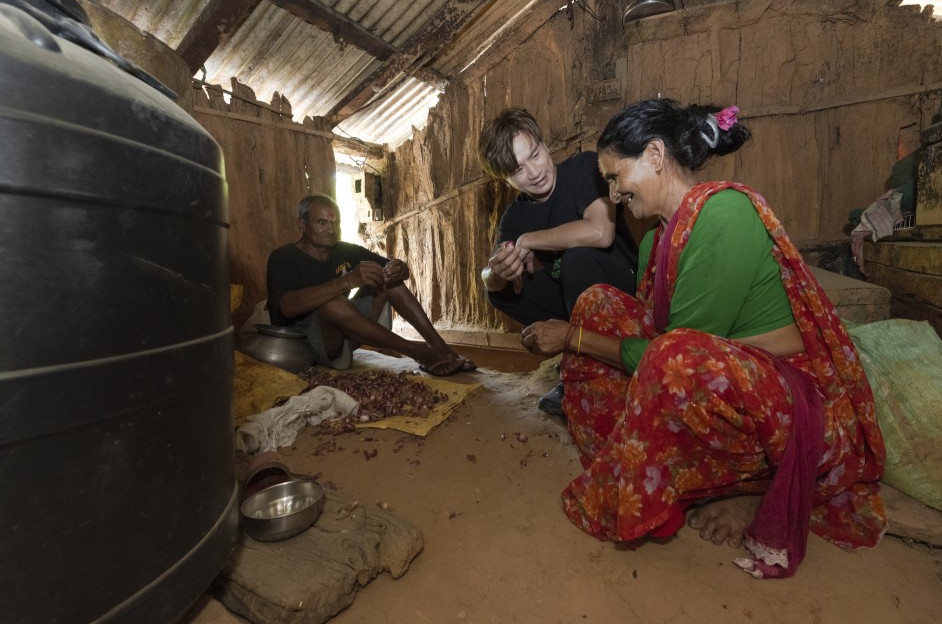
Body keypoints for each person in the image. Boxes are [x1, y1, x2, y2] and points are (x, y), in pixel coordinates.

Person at [519, 99, 887, 578]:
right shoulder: (656, 239)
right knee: (597, 305)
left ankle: (747, 490)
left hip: (790, 406)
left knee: (666, 354)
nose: (612, 195)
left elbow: (674, 356)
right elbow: (668, 343)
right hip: (723, 381)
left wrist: (574, 339)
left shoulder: (724, 214)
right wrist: (586, 330)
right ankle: (671, 483)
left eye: (615, 177)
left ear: (654, 155)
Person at [478, 108, 638, 416]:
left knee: (576, 259)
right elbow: (491, 273)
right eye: (518, 170)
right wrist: (496, 270)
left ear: (544, 144)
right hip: (574, 301)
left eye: (535, 155)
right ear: (505, 180)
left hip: (621, 290)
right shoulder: (516, 216)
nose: (534, 172)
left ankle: (583, 366)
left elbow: (601, 232)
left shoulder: (583, 169)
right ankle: (578, 360)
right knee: (499, 291)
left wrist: (528, 241)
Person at [266, 194, 476, 376]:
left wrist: (399, 269)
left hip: (345, 337)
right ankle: (418, 352)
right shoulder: (283, 257)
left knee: (390, 282)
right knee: (334, 303)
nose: (331, 229)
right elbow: (287, 306)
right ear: (302, 225)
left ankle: (442, 348)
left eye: (335, 223)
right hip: (306, 347)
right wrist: (347, 281)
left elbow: (394, 268)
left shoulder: (344, 250)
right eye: (322, 223)